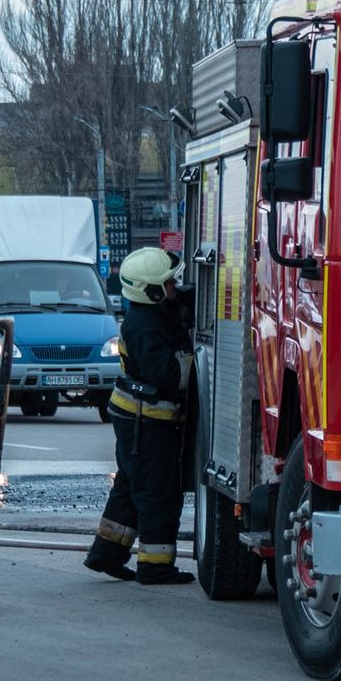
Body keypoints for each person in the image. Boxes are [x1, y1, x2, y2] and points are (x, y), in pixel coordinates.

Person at [85, 248, 195, 585]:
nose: (175, 287)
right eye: (169, 283)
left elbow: (176, 309)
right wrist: (200, 363)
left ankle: (106, 554)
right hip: (146, 422)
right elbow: (168, 375)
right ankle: (155, 566)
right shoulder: (145, 327)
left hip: (137, 419)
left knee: (131, 486)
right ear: (153, 291)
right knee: (157, 493)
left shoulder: (150, 314)